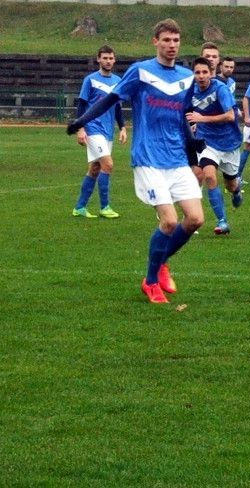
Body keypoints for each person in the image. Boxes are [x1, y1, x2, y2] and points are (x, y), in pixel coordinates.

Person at [66, 18, 204, 305]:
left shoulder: (186, 77)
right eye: (166, 40)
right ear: (155, 41)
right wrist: (82, 120)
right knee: (169, 221)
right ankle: (151, 281)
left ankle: (161, 262)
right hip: (149, 158)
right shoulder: (140, 71)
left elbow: (183, 117)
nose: (172, 45)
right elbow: (110, 100)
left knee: (195, 219)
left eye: (176, 40)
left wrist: (193, 151)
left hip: (176, 158)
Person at [185, 57, 244, 235]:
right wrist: (190, 124)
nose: (201, 76)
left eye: (205, 72)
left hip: (229, 142)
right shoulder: (190, 92)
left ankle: (236, 191)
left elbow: (230, 116)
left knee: (230, 185)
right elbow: (186, 113)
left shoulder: (221, 89)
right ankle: (222, 221)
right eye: (197, 72)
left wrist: (201, 119)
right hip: (207, 141)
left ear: (211, 73)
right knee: (209, 175)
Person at [71, 45, 127, 219]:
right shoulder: (90, 80)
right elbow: (81, 105)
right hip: (92, 128)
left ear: (114, 60)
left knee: (95, 168)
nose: (108, 61)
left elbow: (117, 108)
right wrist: (80, 128)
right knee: (108, 164)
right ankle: (105, 207)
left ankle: (79, 207)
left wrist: (123, 127)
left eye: (111, 58)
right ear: (98, 59)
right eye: (105, 58)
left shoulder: (118, 81)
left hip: (107, 130)